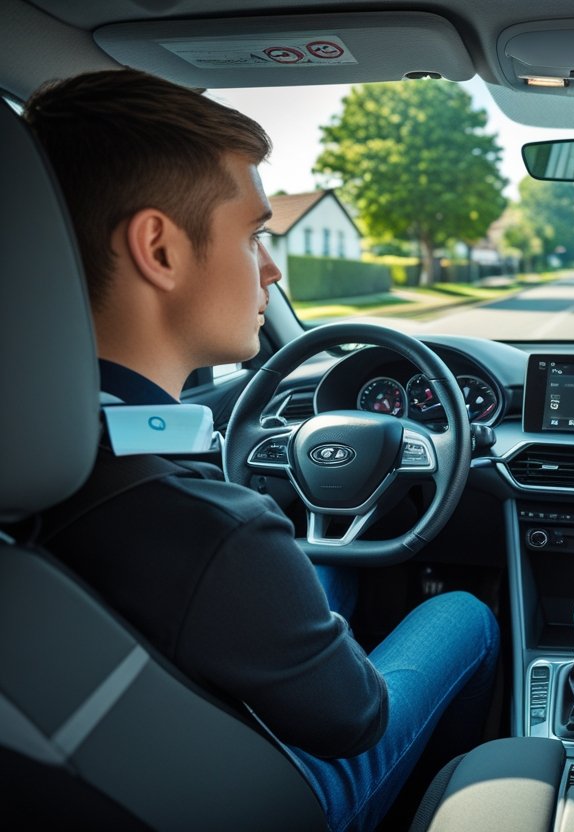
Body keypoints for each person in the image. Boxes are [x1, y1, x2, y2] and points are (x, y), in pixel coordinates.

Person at [24, 69, 499, 832]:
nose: (272, 269)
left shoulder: (46, 458)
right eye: (254, 236)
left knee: (333, 568)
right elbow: (355, 720)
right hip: (265, 793)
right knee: (467, 616)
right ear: (160, 249)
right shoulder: (217, 531)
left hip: (127, 766)